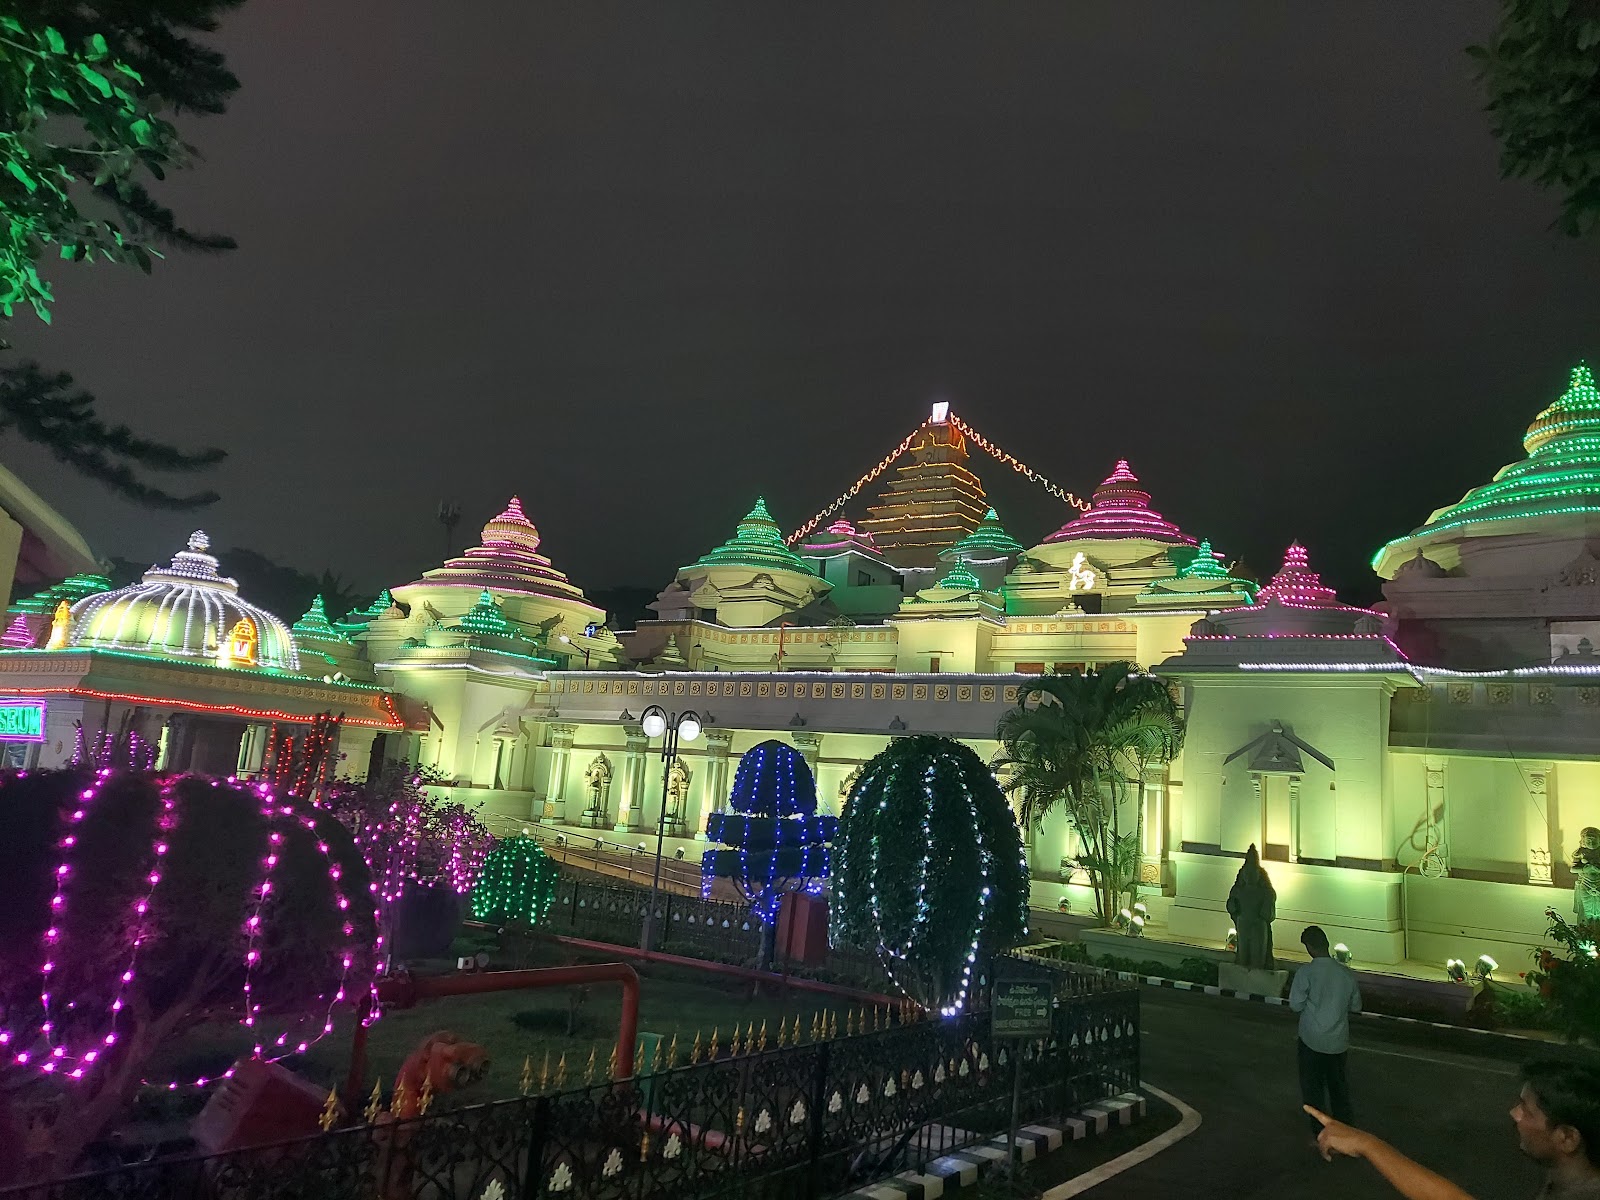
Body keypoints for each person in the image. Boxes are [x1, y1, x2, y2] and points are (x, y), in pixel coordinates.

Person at [1307, 1059, 1600, 1198]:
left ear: (1567, 1138)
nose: (1514, 1114)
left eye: (1527, 1110)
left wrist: (1367, 1144)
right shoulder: (1570, 1178)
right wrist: (1367, 1143)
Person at [1289, 924, 1361, 1135]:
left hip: (1311, 1040)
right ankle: (1346, 1133)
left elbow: (1295, 1005)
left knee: (1313, 1092)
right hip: (1337, 1043)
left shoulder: (1306, 973)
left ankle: (1320, 1135)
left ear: (1309, 948)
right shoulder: (1346, 974)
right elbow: (1356, 1006)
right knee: (1339, 1090)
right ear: (1327, 944)